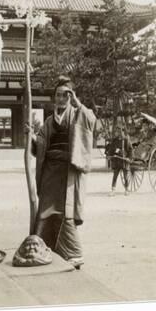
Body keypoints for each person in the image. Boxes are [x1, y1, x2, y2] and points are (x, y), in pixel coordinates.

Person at [27, 76, 96, 268]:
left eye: (66, 96)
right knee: (44, 211)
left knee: (66, 212)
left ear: (71, 97)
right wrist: (31, 138)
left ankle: (75, 252)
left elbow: (92, 122)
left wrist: (78, 104)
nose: (61, 99)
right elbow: (40, 147)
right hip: (50, 170)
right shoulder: (49, 121)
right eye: (58, 95)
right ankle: (42, 246)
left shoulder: (78, 113)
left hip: (68, 171)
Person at [105, 127, 133, 196]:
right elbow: (111, 149)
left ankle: (127, 190)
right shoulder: (115, 140)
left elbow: (130, 150)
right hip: (117, 160)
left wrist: (129, 158)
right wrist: (109, 155)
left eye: (119, 132)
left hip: (124, 160)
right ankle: (113, 190)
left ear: (122, 132)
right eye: (116, 132)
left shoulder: (126, 140)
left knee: (125, 176)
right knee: (115, 176)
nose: (117, 133)